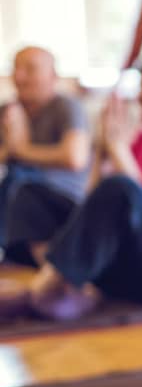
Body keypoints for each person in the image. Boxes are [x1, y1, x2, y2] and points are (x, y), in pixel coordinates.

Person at [2, 59, 142, 320]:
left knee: (121, 188)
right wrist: (103, 149)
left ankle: (47, 291)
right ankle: (70, 285)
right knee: (31, 194)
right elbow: (95, 200)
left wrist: (119, 149)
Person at [0, 47, 91, 265]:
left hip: (62, 203)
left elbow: (74, 158)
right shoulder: (9, 111)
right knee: (14, 178)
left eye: (29, 69)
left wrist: (19, 149)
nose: (20, 76)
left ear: (53, 76)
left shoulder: (66, 107)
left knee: (18, 179)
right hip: (16, 207)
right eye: (16, 68)